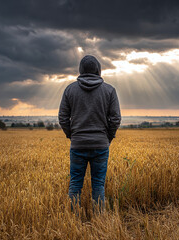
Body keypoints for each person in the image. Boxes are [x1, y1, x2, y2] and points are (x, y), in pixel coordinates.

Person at [58, 55, 121, 212]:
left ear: (80, 70)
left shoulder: (70, 90)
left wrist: (72, 135)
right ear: (98, 70)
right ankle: (99, 219)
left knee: (75, 183)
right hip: (100, 145)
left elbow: (63, 118)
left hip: (78, 144)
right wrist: (107, 138)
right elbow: (115, 119)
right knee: (98, 184)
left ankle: (72, 219)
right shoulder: (109, 90)